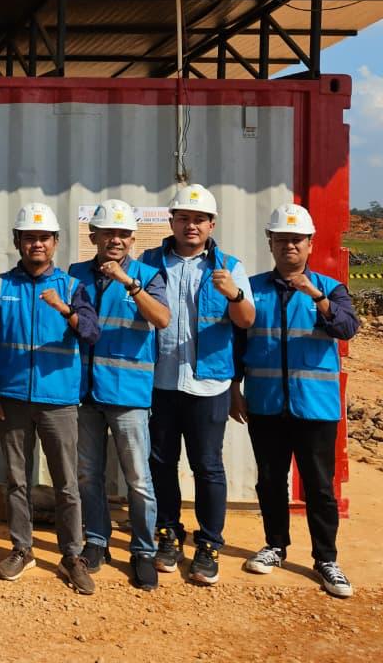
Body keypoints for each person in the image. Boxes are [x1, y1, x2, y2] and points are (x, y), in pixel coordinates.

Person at [233, 204, 358, 598]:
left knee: (319, 486)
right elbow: (237, 341)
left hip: (315, 406)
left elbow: (347, 328)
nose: (289, 245)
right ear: (270, 243)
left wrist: (316, 296)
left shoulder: (330, 288)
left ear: (309, 244)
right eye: (282, 239)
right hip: (266, 403)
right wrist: (234, 388)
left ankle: (326, 559)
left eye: (297, 240)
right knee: (270, 481)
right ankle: (275, 545)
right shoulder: (252, 289)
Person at [0, 202, 100, 596]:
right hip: (12, 397)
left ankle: (72, 556)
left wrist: (65, 310)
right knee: (17, 479)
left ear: (55, 242)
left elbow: (91, 333)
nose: (37, 244)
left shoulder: (71, 286)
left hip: (59, 400)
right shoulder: (1, 285)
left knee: (67, 483)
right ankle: (22, 548)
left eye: (44, 238)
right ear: (18, 241)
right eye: (29, 238)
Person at [141, 184, 255, 585]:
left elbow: (246, 320)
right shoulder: (149, 262)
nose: (192, 225)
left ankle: (209, 544)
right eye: (184, 218)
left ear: (212, 224)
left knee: (207, 466)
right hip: (160, 380)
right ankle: (168, 533)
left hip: (209, 382)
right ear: (172, 221)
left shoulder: (229, 266)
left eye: (200, 219)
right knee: (161, 462)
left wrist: (234, 294)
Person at [68, 199, 170, 590]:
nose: (116, 240)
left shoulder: (147, 275)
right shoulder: (75, 274)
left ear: (132, 238)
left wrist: (129, 283)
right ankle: (97, 541)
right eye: (108, 232)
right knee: (88, 475)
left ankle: (143, 550)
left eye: (123, 234)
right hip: (85, 392)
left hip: (128, 395)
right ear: (93, 235)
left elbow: (161, 318)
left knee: (138, 479)